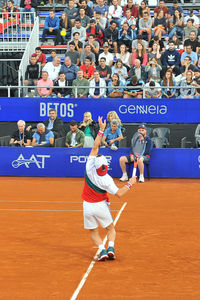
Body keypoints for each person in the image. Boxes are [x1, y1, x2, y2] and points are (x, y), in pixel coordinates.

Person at [82, 116, 136, 261]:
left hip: (87, 206)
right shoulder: (107, 179)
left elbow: (95, 147)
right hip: (101, 206)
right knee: (110, 229)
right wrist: (130, 183)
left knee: (93, 231)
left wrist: (101, 130)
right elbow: (119, 194)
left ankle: (102, 250)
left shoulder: (89, 168)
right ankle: (110, 247)